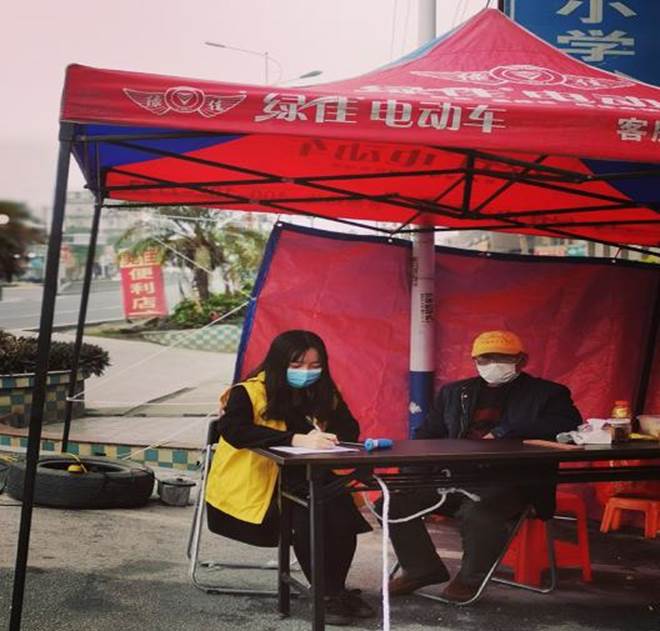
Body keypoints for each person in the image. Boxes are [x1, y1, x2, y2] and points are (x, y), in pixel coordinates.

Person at [386, 330, 582, 602]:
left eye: (502, 357)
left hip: (512, 481)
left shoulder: (548, 394)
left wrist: (506, 431)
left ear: (522, 360)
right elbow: (427, 435)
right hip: (453, 476)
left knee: (479, 509)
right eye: (485, 358)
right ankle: (422, 569)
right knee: (394, 501)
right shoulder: (454, 393)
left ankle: (470, 578)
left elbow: (568, 426)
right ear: (475, 361)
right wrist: (413, 475)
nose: (493, 364)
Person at [205, 329, 374, 625]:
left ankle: (334, 590)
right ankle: (325, 595)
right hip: (262, 485)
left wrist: (331, 435)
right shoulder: (248, 392)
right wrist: (295, 439)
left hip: (313, 475)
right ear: (278, 363)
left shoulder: (324, 392)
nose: (306, 372)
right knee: (308, 514)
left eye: (314, 365)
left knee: (342, 513)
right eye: (297, 365)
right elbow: (233, 430)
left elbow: (350, 428)